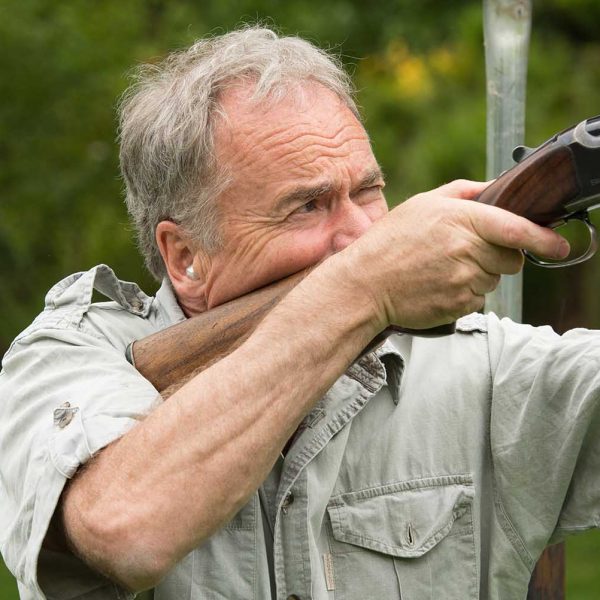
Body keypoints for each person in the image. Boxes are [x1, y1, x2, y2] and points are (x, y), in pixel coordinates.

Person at [0, 25, 597, 600]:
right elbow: (125, 529)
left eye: (367, 190)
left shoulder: (486, 370)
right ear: (185, 257)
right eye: (308, 206)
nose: (364, 235)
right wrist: (364, 290)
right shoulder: (69, 360)